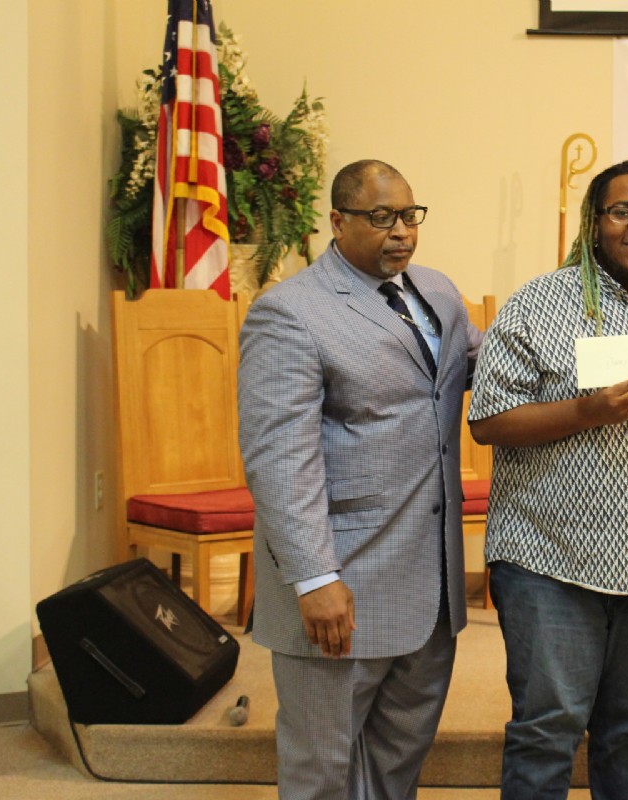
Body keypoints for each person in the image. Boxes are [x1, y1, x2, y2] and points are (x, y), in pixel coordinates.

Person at [468, 158, 628, 800]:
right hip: (552, 560)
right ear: (595, 221)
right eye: (623, 211)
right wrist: (587, 412)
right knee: (547, 730)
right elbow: (487, 422)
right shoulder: (538, 304)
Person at [238, 159, 482, 800]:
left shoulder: (436, 290)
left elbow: (488, 366)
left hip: (429, 580)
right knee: (323, 768)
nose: (401, 231)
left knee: (399, 756)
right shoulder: (289, 312)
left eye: (409, 215)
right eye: (380, 217)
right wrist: (315, 577)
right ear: (338, 221)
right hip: (342, 577)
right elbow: (279, 458)